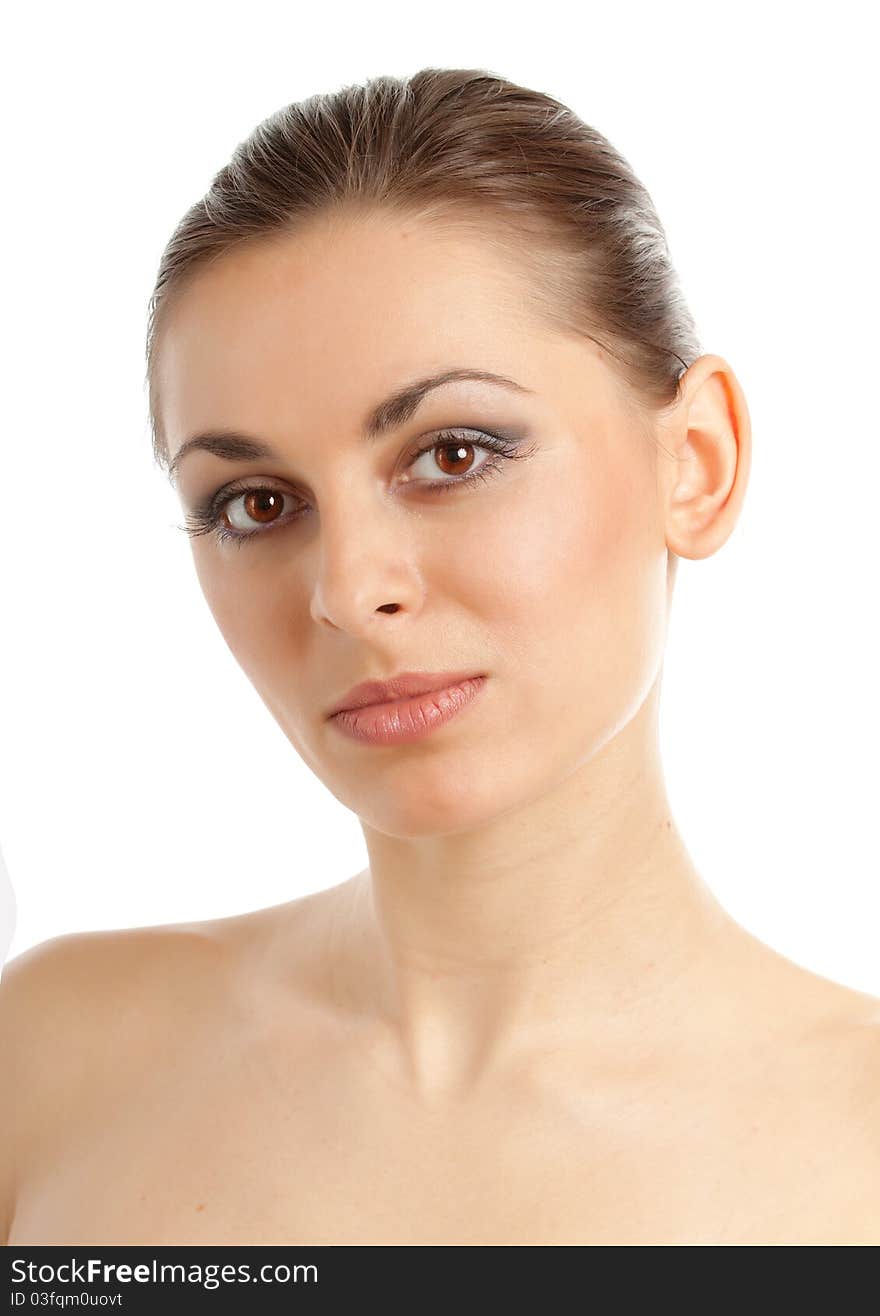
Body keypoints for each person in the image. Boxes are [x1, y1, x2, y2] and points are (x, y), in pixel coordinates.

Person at [3, 67, 878, 1247]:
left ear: (698, 462)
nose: (352, 594)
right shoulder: (51, 1060)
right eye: (256, 503)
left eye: (453, 453)